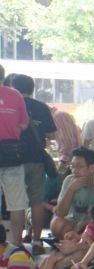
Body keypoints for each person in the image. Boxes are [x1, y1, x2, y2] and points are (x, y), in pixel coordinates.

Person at [11, 73, 53, 252]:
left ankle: (17, 244)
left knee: (17, 203)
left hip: (14, 159)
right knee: (37, 201)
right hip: (37, 159)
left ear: (13, 88)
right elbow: (52, 134)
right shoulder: (41, 107)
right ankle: (37, 242)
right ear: (32, 88)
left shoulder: (11, 105)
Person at [0, 66, 31, 248]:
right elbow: (24, 124)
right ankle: (16, 245)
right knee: (16, 202)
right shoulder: (16, 95)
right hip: (13, 153)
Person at [50, 147, 94, 238]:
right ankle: (72, 242)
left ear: (92, 168)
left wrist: (85, 223)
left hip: (93, 223)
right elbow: (60, 213)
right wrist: (71, 189)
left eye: (79, 166)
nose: (74, 171)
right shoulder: (69, 180)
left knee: (89, 231)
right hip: (73, 221)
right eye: (72, 166)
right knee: (57, 224)